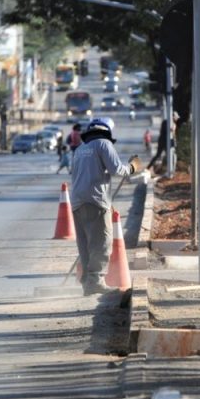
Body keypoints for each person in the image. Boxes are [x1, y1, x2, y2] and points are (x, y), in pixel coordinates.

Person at [70, 117, 141, 296]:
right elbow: (117, 169)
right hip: (95, 201)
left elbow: (84, 176)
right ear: (107, 132)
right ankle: (95, 280)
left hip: (78, 202)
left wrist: (108, 202)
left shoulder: (80, 149)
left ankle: (88, 281)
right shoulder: (103, 144)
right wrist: (132, 167)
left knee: (85, 244)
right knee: (101, 243)